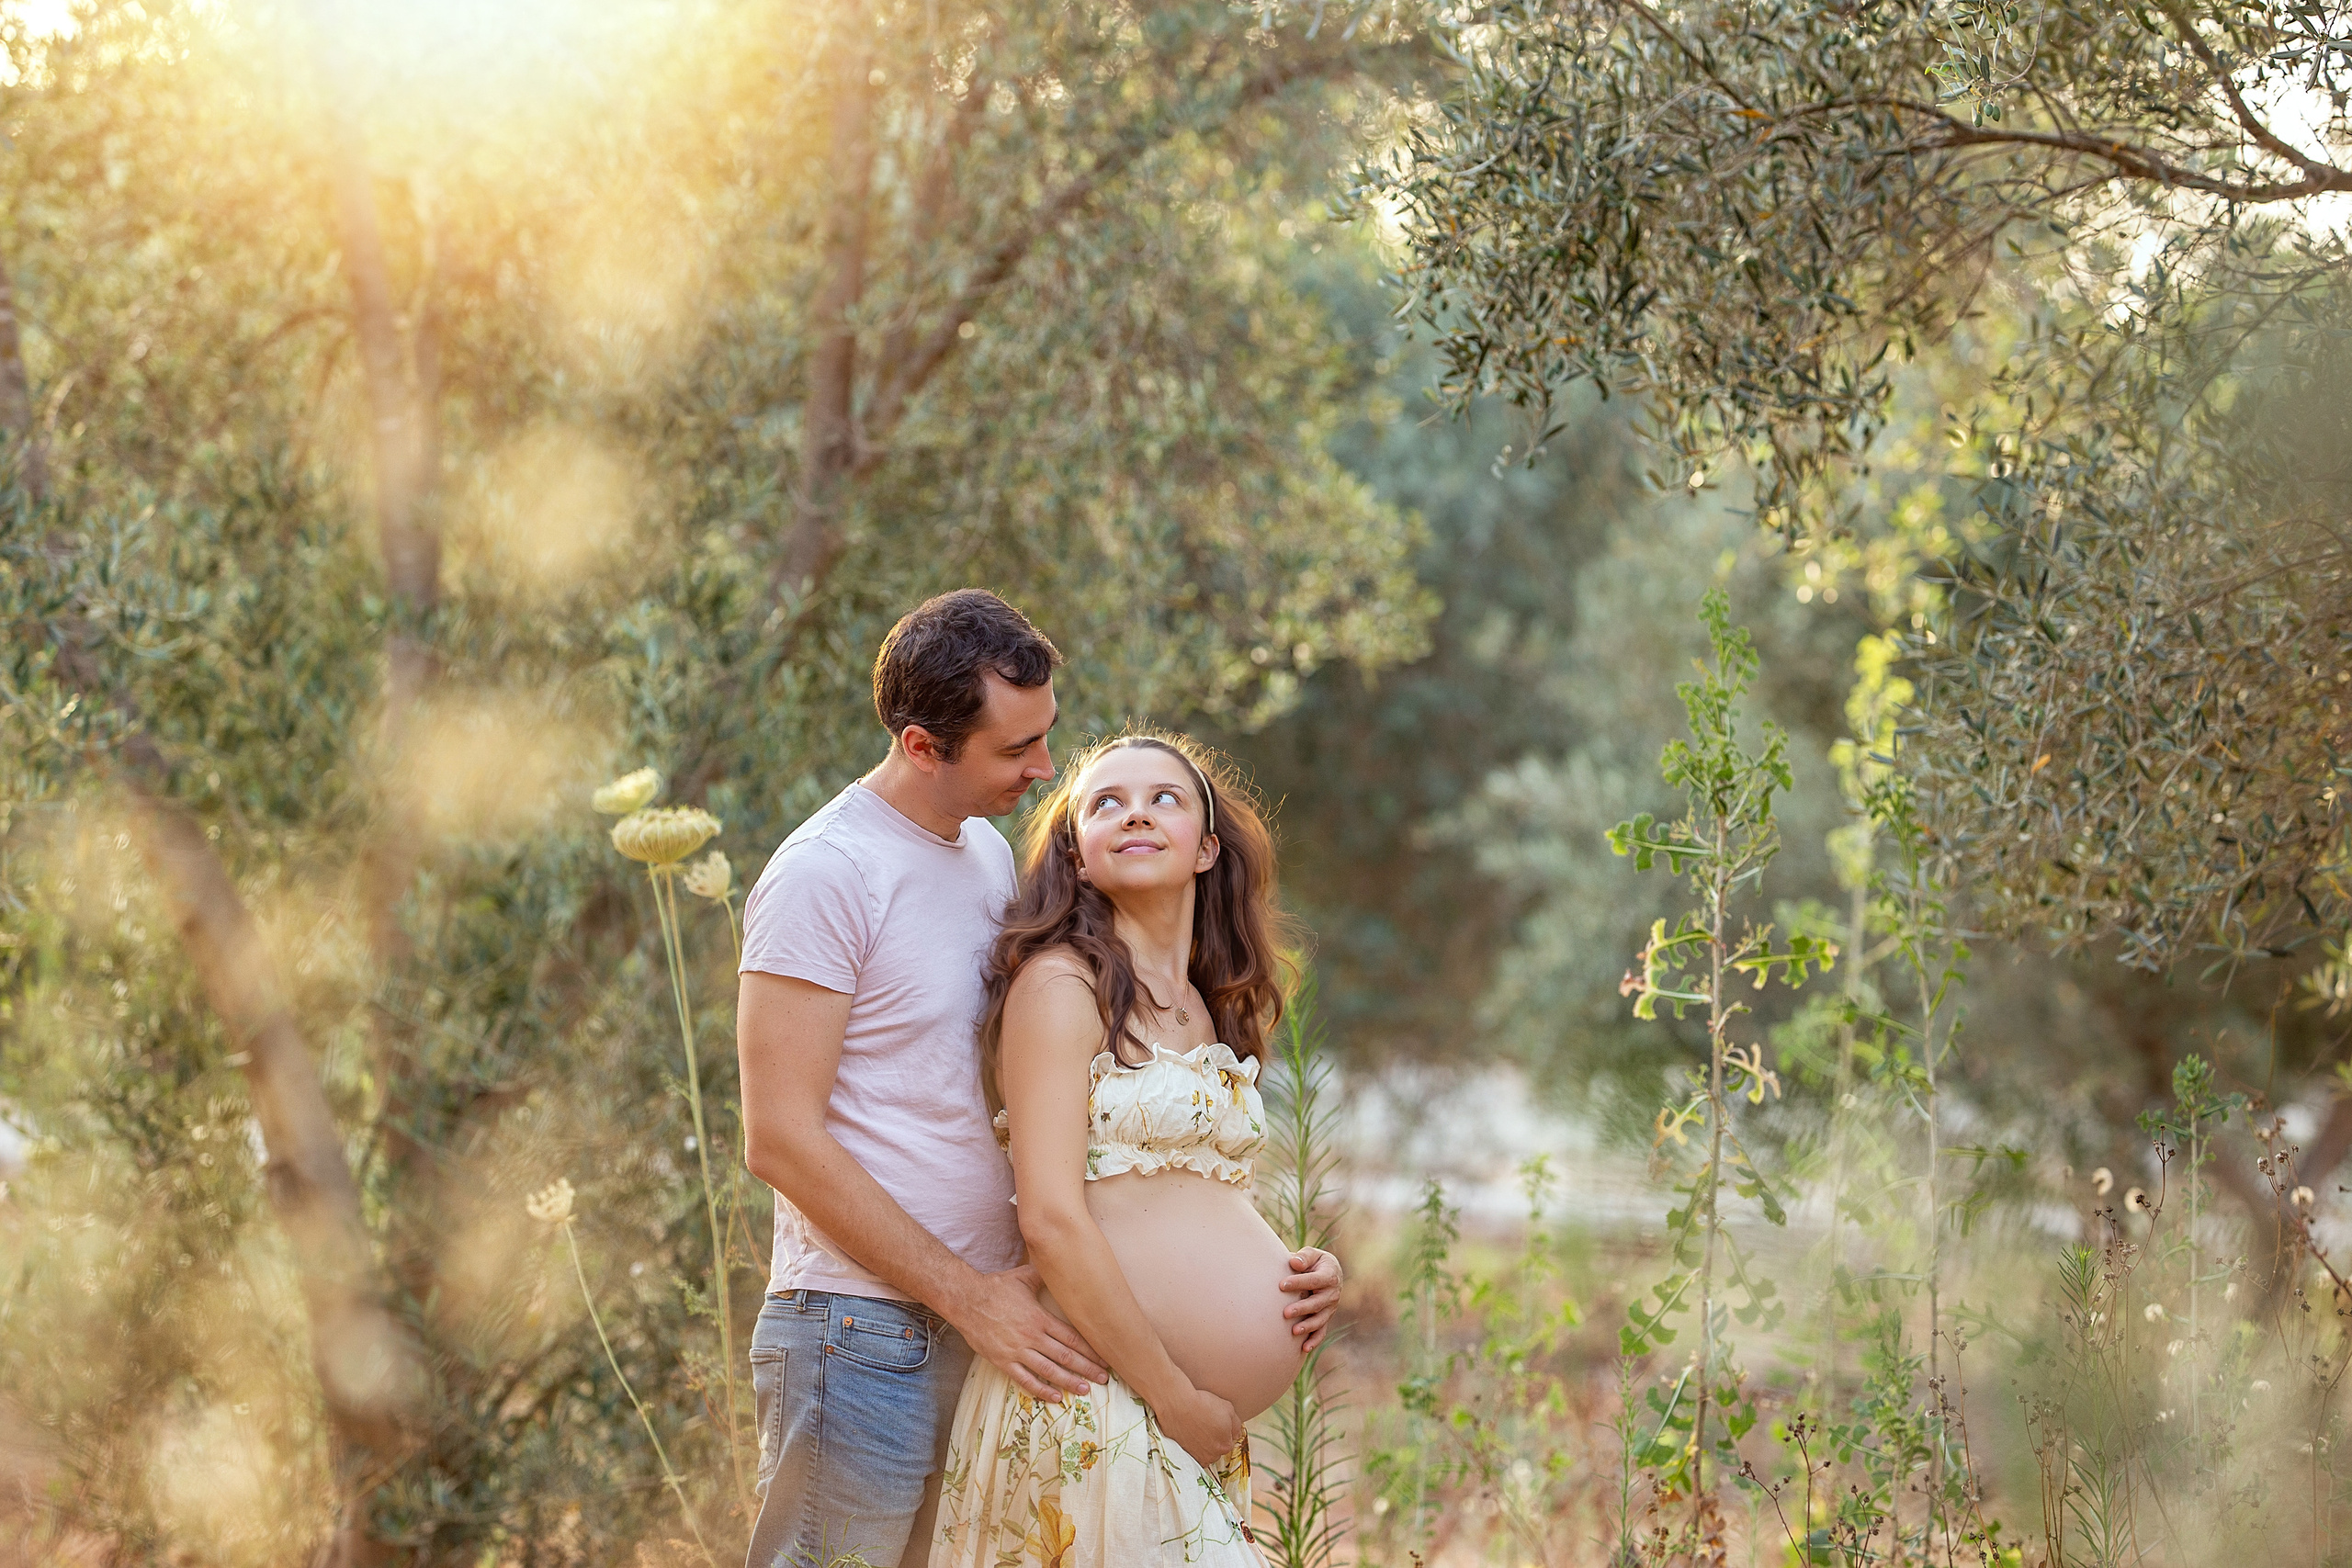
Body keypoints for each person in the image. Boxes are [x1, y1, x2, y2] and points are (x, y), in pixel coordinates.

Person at [735, 591, 1343, 1568]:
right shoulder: (826, 873)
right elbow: (779, 1139)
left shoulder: (982, 854)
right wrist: (970, 1296)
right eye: (1017, 748)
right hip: (861, 1331)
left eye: (1046, 734)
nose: (1045, 769)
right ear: (923, 745)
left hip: (1003, 1330)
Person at [930, 729, 1337, 1568]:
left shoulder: (1205, 1003)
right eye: (1107, 802)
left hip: (1174, 1419)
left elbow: (1193, 1199)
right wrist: (1176, 1398)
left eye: (1164, 798)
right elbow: (1051, 1219)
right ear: (1077, 856)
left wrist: (1301, 1273)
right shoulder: (1061, 984)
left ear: (1206, 848)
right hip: (1097, 1398)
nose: (1136, 813)